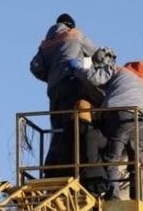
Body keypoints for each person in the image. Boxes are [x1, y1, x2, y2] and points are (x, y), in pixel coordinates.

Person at [70, 59, 143, 200]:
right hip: (140, 122)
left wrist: (77, 69)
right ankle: (138, 198)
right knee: (136, 164)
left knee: (113, 160)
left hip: (118, 117)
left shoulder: (118, 71)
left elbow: (94, 78)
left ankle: (113, 196)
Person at [30, 13, 98, 176]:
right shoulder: (76, 34)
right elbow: (97, 54)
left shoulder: (46, 43)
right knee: (74, 125)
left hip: (54, 89)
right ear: (70, 25)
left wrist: (51, 76)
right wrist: (86, 71)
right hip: (72, 83)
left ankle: (51, 169)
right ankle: (74, 167)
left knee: (57, 128)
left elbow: (35, 67)